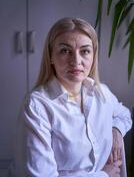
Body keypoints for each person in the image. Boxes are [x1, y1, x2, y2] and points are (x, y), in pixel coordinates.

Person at [15, 17, 132, 177]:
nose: (76, 61)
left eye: (85, 51)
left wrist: (116, 130)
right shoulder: (37, 106)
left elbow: (124, 114)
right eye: (65, 51)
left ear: (93, 56)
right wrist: (103, 175)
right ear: (51, 56)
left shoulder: (101, 92)